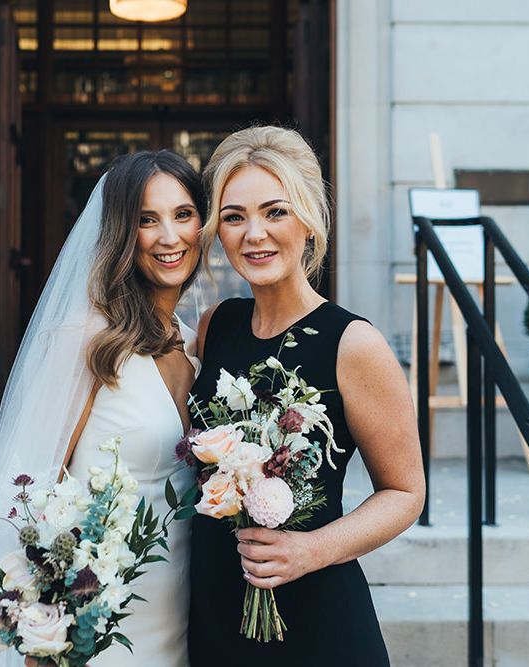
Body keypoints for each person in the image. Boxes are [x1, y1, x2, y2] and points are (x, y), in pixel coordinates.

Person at [0, 150, 205, 667]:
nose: (170, 237)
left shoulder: (196, 346)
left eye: (183, 214)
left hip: (185, 614)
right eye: (146, 220)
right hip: (98, 626)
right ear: (122, 235)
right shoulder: (85, 340)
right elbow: (28, 498)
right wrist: (39, 632)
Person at [188, 126, 425, 666]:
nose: (255, 234)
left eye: (275, 211)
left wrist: (312, 550)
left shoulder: (353, 343)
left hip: (315, 619)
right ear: (217, 233)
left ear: (309, 220)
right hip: (215, 610)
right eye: (233, 216)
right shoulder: (215, 326)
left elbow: (405, 493)